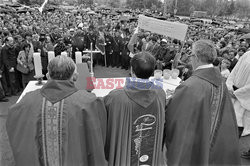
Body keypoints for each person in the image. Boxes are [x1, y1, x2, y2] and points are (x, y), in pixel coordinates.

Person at [7, 56, 107, 166]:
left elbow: (15, 126)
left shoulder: (27, 101)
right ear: (75, 76)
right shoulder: (89, 102)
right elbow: (97, 140)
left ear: (48, 75)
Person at [165, 40, 241, 165]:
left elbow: (175, 118)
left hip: (195, 142)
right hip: (218, 145)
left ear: (196, 57)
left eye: (191, 55)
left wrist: (169, 100)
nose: (190, 58)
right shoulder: (220, 80)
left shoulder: (191, 86)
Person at [104, 52, 166, 166]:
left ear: (132, 70)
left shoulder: (117, 97)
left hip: (125, 156)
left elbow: (105, 121)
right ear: (153, 71)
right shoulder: (161, 94)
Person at [226, 51, 250, 158]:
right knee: (226, 121)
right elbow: (234, 71)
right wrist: (229, 85)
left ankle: (229, 152)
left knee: (238, 124)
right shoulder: (247, 53)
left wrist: (238, 94)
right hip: (233, 92)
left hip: (244, 97)